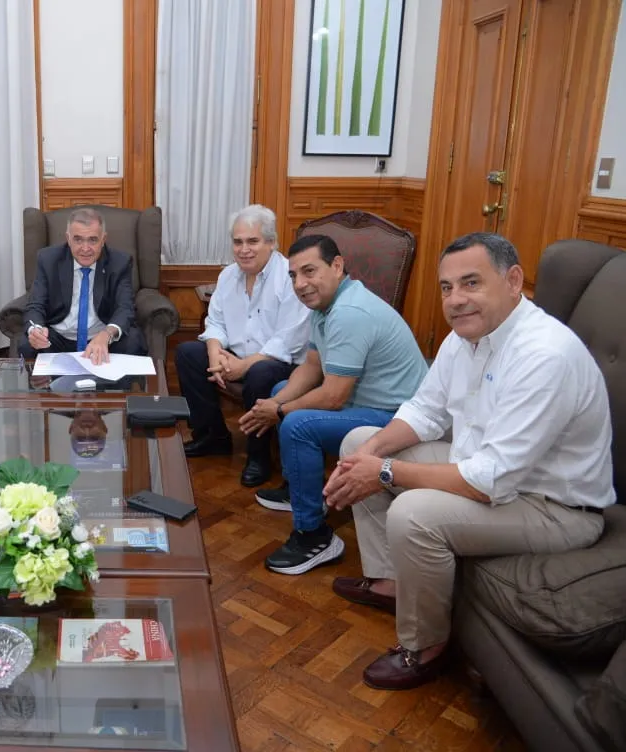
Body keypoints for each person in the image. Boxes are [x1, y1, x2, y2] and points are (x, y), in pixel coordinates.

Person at [323, 232, 613, 690]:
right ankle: (392, 582)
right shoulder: (468, 335)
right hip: (489, 471)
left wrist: (383, 472)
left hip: (554, 508)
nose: (456, 300)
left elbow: (488, 480)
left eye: (471, 283)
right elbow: (425, 410)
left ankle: (426, 646)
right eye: (446, 288)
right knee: (358, 440)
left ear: (513, 280)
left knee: (413, 513)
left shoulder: (545, 355)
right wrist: (371, 453)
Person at [239, 234, 428, 576]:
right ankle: (299, 487)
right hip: (363, 402)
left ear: (337, 266)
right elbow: (312, 367)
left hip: (395, 417)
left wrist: (280, 412)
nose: (300, 284)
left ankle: (315, 536)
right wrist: (276, 401)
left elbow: (333, 396)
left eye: (309, 271)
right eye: (294, 276)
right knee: (284, 387)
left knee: (298, 424)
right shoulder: (325, 305)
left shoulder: (349, 312)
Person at [175, 205, 310, 487]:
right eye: (238, 242)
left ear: (271, 243)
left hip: (277, 361)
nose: (244, 249)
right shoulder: (228, 275)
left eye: (253, 241)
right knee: (188, 353)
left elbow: (288, 339)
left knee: (260, 373)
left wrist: (244, 366)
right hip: (235, 355)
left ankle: (258, 456)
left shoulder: (289, 277)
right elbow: (215, 322)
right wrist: (215, 354)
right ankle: (212, 436)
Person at [19, 207, 147, 363]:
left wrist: (106, 335)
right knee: (27, 343)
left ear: (103, 239)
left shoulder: (119, 262)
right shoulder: (48, 259)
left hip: (101, 338)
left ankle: (122, 387)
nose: (85, 249)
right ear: (68, 238)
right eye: (78, 239)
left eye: (93, 240)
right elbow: (35, 305)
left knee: (134, 340)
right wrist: (36, 331)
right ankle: (40, 387)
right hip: (58, 339)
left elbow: (125, 308)